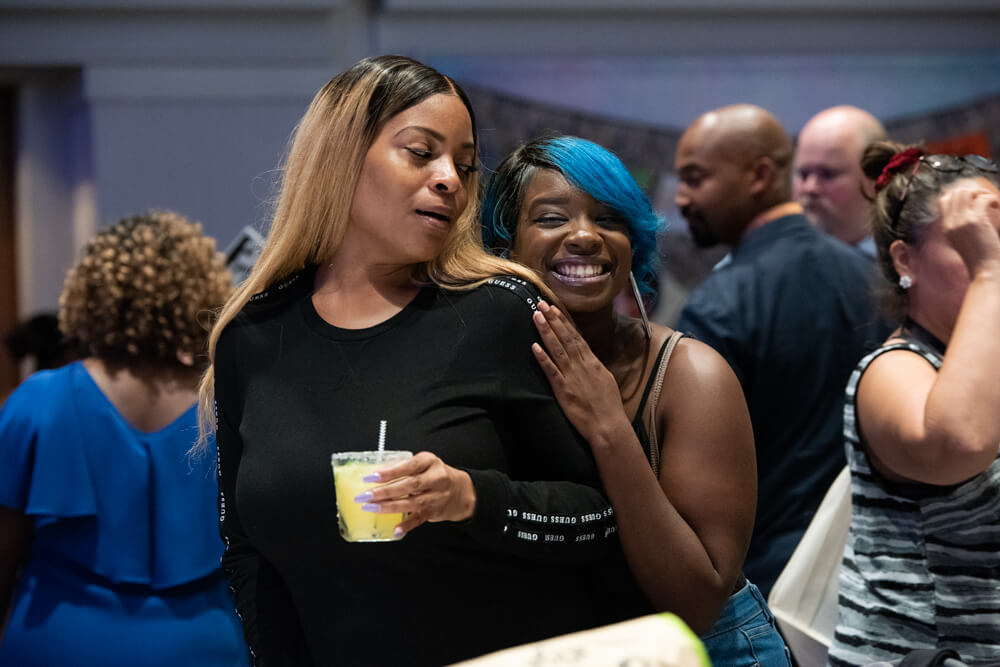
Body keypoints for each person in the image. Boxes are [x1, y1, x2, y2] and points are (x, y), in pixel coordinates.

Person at [198, 55, 627, 667]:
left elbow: (599, 521)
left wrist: (470, 497)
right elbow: (246, 550)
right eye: (421, 152)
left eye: (465, 163)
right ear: (341, 156)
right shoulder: (251, 334)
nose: (450, 178)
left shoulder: (501, 311)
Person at [482, 135, 791, 665]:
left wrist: (608, 425)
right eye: (553, 218)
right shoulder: (477, 365)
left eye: (609, 219)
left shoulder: (692, 375)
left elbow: (696, 601)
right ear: (503, 245)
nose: (585, 236)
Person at [0, 211, 246, 666]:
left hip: (58, 643)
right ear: (203, 292)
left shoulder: (38, 401)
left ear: (90, 296)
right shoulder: (234, 404)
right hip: (203, 646)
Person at [673, 104, 880, 596]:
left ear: (760, 175)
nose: (681, 198)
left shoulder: (721, 304)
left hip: (766, 582)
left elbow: (695, 489)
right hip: (868, 572)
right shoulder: (874, 281)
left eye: (696, 179)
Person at [828, 144, 1000, 666]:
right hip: (922, 653)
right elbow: (959, 443)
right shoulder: (893, 370)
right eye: (971, 242)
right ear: (906, 260)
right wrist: (988, 271)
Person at [793, 105, 888, 255]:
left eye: (827, 174)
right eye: (803, 174)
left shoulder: (910, 267)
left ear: (876, 177)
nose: (810, 188)